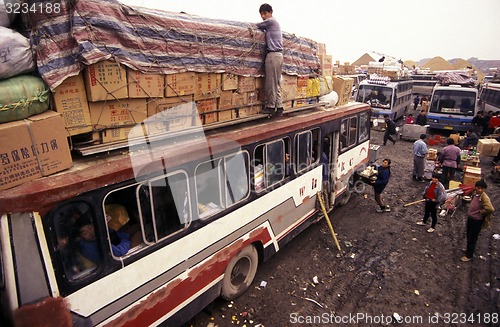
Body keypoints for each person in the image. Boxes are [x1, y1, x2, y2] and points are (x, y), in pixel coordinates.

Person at [256, 3, 283, 116]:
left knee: (270, 82)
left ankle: (271, 107)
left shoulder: (271, 21)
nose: (263, 16)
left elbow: (257, 26)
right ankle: (279, 106)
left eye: (265, 13)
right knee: (276, 82)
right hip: (279, 55)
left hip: (273, 55)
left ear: (271, 12)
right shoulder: (274, 24)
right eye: (261, 14)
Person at [461, 180, 495, 262]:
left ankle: (469, 256)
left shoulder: (484, 197)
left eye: (481, 188)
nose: (479, 190)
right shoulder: (475, 194)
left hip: (476, 220)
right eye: (478, 188)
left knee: (472, 237)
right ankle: (468, 250)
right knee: (469, 235)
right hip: (471, 218)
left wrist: (481, 212)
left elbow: (490, 209)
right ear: (475, 187)